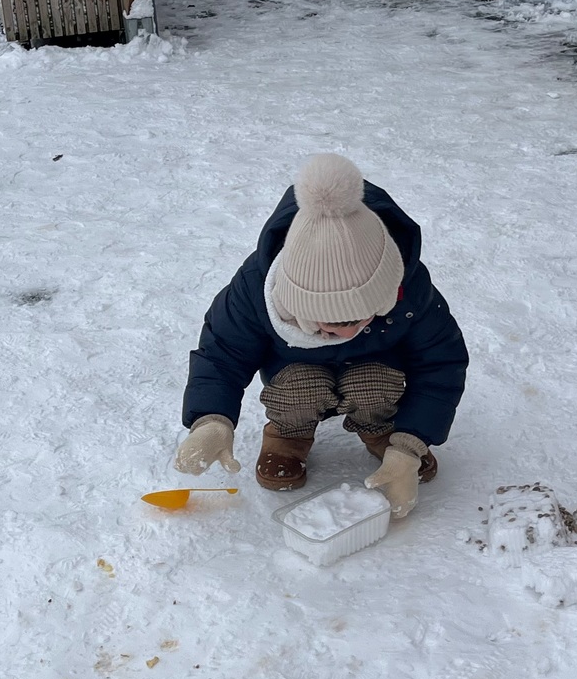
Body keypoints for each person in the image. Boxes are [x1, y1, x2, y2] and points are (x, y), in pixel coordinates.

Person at [176, 155, 468, 519]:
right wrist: (212, 419)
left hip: (375, 371)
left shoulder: (410, 288)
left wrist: (410, 445)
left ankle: (384, 430)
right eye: (325, 322)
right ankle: (289, 434)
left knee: (374, 383)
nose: (344, 332)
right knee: (299, 388)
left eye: (357, 318)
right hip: (295, 375)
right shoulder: (256, 288)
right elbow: (222, 355)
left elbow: (441, 364)